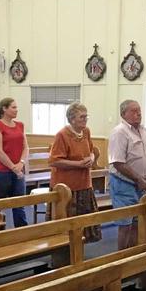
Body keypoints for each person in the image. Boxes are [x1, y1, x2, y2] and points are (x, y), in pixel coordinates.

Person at [49, 102, 101, 242]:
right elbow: (54, 161)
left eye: (86, 117)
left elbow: (91, 150)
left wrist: (91, 158)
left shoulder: (86, 131)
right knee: (68, 226)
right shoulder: (62, 135)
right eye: (81, 117)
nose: (85, 120)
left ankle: (79, 253)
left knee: (83, 223)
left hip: (84, 183)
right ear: (72, 119)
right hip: (67, 186)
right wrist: (78, 164)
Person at [108, 100, 146, 249]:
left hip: (141, 184)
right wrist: (138, 178)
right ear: (123, 114)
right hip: (124, 184)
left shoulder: (143, 130)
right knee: (125, 224)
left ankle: (133, 255)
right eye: (134, 111)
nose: (138, 114)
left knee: (137, 221)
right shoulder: (120, 132)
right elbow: (118, 162)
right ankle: (121, 257)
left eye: (139, 110)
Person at [0, 98, 29, 227]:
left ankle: (21, 231)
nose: (16, 110)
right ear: (4, 109)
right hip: (0, 170)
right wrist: (13, 167)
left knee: (19, 203)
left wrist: (21, 163)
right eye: (13, 107)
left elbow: (25, 147)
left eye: (17, 107)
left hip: (17, 169)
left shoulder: (20, 125)